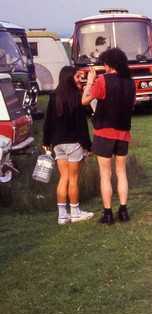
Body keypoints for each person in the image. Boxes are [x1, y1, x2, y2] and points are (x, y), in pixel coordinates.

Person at [82, 48, 136, 224]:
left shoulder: (102, 80)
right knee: (121, 172)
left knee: (105, 174)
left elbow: (84, 101)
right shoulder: (131, 83)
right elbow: (131, 104)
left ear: (108, 64)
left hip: (104, 132)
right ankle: (123, 210)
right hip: (123, 133)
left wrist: (90, 82)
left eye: (104, 64)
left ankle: (107, 213)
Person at [43, 66, 93, 225]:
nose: (80, 79)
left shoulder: (53, 96)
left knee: (63, 178)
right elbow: (82, 125)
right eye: (77, 77)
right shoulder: (76, 97)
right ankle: (75, 212)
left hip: (57, 144)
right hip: (73, 144)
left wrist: (46, 142)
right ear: (69, 78)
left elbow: (48, 123)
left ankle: (62, 216)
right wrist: (88, 146)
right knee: (73, 179)